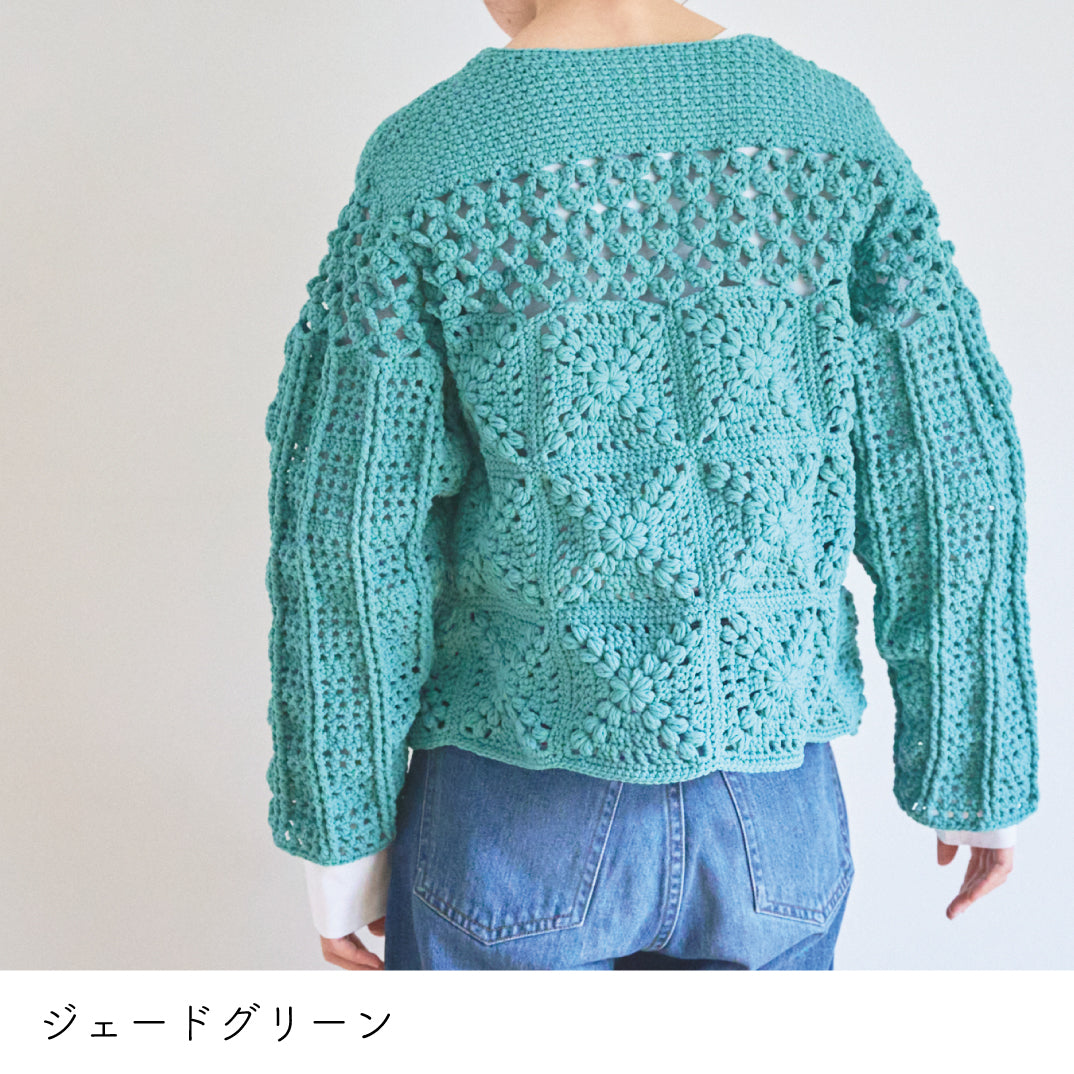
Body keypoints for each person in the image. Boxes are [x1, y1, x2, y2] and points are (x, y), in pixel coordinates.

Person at [263, 0, 1038, 971]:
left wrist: (342, 838)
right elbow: (947, 473)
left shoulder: (430, 160)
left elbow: (347, 528)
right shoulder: (830, 134)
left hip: (515, 805)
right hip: (772, 818)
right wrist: (977, 767)